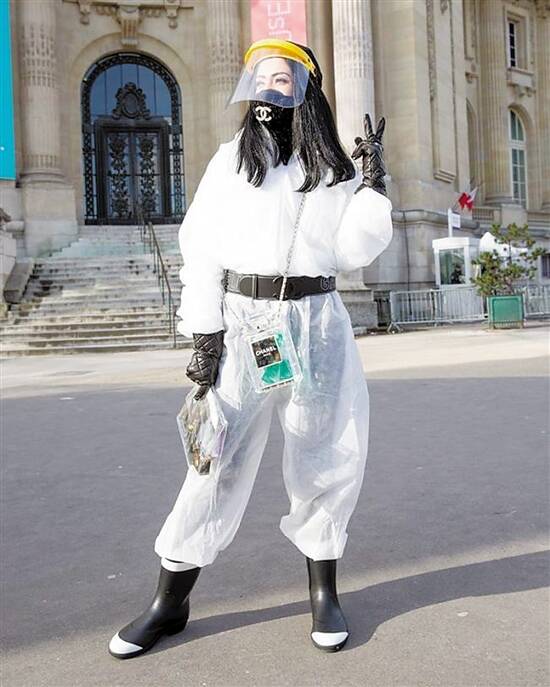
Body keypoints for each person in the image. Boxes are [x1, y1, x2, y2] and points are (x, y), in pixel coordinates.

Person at [108, 38, 393, 659]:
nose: (269, 88)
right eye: (261, 77)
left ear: (305, 89)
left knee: (327, 452)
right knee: (217, 458)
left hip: (317, 322)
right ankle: (170, 599)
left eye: (282, 79)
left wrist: (371, 185)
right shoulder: (229, 162)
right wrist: (204, 334)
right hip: (244, 324)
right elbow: (201, 251)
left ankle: (324, 592)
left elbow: (351, 253)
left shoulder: (332, 170)